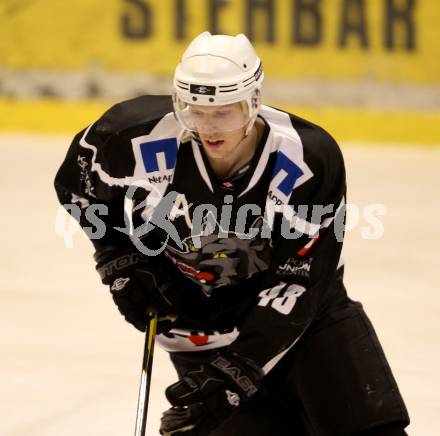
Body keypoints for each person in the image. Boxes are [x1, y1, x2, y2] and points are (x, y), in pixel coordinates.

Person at [54, 32, 409, 435]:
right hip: (199, 329)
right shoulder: (127, 138)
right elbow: (77, 188)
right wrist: (120, 258)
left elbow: (300, 280)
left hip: (307, 322)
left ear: (254, 103)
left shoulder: (307, 160)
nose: (208, 127)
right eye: (195, 111)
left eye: (224, 112)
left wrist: (239, 369)